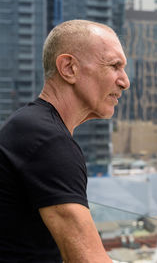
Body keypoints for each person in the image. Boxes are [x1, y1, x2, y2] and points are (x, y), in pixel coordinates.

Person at [0, 20, 130, 262]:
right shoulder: (48, 141)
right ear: (69, 68)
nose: (124, 81)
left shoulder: (29, 125)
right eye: (114, 66)